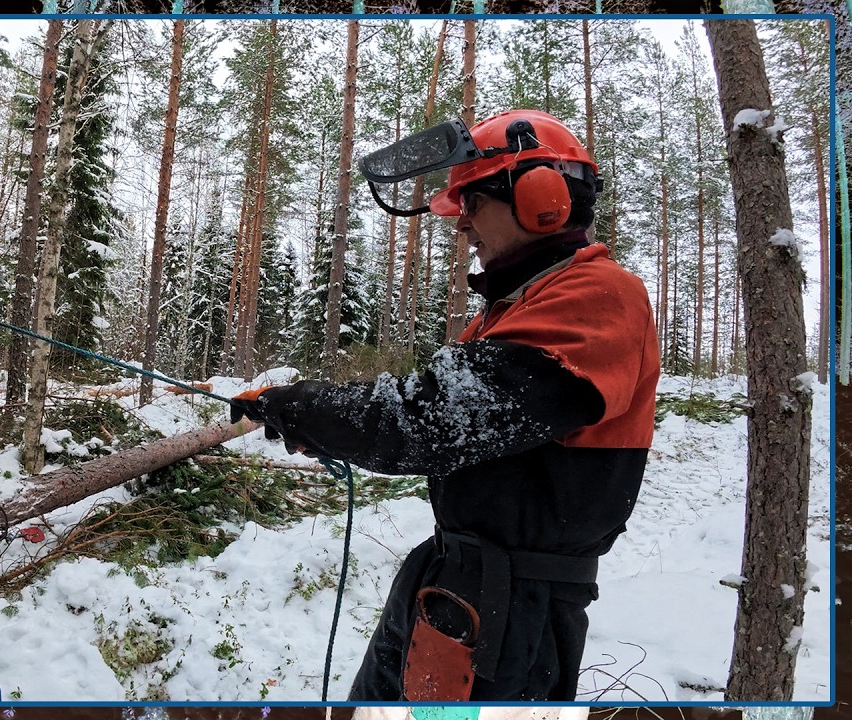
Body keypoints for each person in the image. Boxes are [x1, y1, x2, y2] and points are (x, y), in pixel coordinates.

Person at [229, 110, 659, 702]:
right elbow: (432, 417)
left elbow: (427, 420)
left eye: (472, 203)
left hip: (515, 608)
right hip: (455, 575)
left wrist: (302, 407)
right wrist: (311, 421)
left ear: (542, 196)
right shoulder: (512, 307)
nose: (463, 225)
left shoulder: (597, 295)